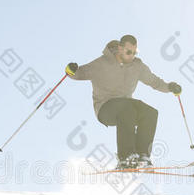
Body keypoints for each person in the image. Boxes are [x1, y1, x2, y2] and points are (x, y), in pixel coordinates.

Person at [65, 34, 182, 169]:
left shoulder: (137, 66)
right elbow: (79, 73)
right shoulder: (102, 63)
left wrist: (169, 87)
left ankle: (142, 156)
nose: (132, 55)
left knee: (150, 113)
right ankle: (125, 158)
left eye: (134, 52)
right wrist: (71, 70)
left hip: (126, 108)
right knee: (127, 108)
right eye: (128, 52)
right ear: (120, 49)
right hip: (105, 108)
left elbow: (154, 81)